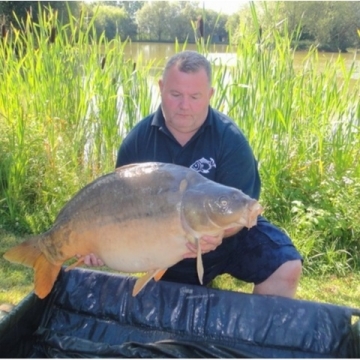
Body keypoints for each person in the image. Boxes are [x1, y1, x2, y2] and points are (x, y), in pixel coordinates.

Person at [84, 50, 302, 298]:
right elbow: (117, 210)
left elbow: (242, 211)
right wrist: (96, 243)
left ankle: (253, 336)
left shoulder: (230, 140)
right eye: (175, 94)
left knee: (286, 266)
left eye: (195, 96)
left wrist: (219, 235)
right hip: (164, 243)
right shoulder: (137, 143)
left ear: (209, 95)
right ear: (161, 88)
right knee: (172, 299)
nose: (184, 106)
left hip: (224, 240)